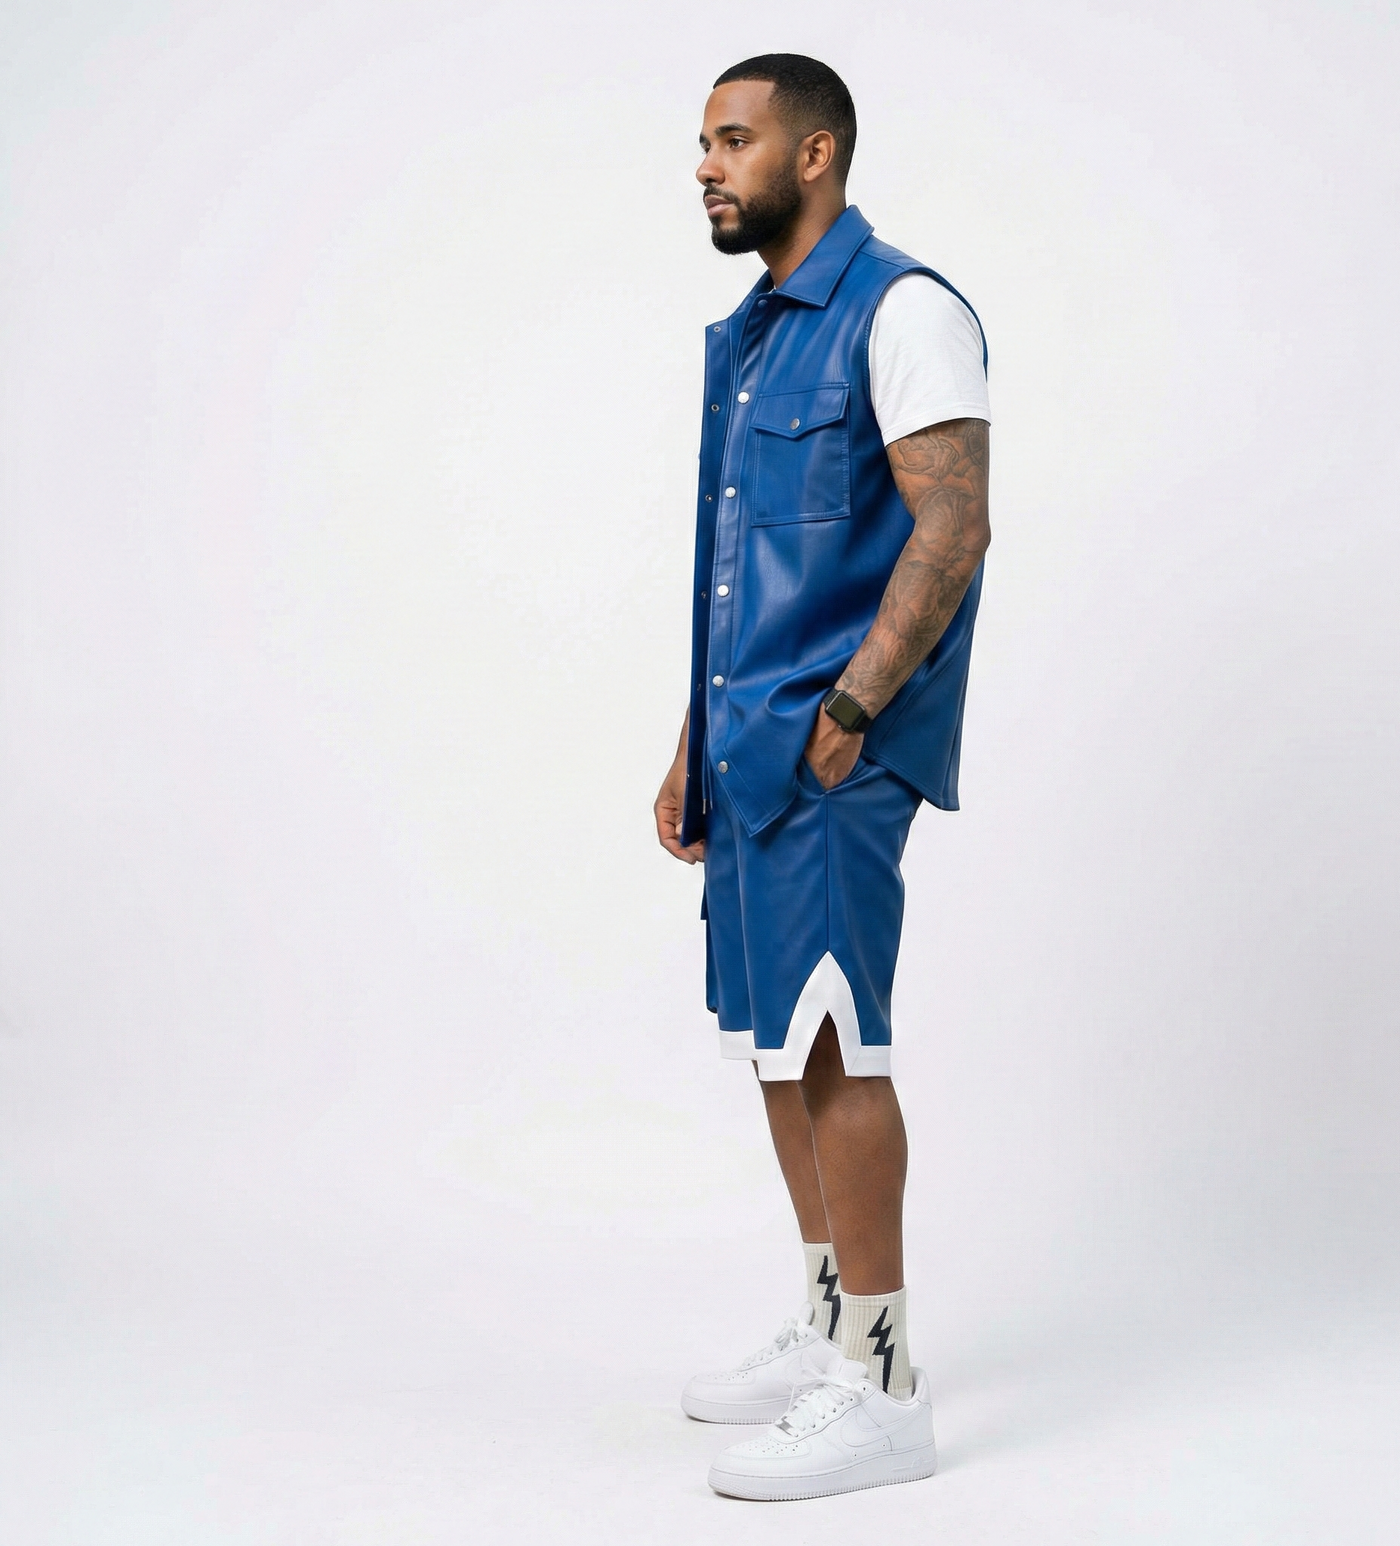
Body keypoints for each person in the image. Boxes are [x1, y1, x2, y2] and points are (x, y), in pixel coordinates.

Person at [653, 54, 991, 1501]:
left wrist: (854, 708)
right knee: (781, 1046)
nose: (707, 167)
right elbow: (740, 563)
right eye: (704, 143)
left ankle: (884, 1385)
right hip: (750, 749)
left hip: (837, 751)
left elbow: (954, 525)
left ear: (815, 153)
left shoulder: (903, 310)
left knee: (842, 1045)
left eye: (733, 140)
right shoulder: (750, 336)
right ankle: (830, 1320)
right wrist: (694, 736)